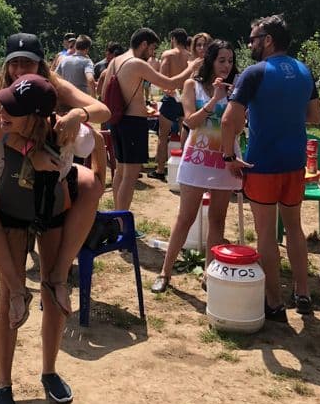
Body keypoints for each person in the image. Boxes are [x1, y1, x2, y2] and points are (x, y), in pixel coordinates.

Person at [0, 33, 109, 404]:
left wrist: (76, 116)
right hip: (12, 206)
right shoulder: (3, 91)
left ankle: (49, 371)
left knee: (53, 289)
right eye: (14, 62)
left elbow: (99, 116)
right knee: (8, 297)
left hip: (51, 207)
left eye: (27, 63)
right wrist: (25, 141)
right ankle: (4, 382)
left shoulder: (55, 92)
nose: (19, 69)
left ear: (42, 66)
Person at [221, 15, 320, 322]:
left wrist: (228, 157)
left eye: (253, 39)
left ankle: (274, 302)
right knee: (294, 228)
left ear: (267, 40)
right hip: (295, 164)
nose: (250, 44)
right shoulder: (305, 71)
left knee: (266, 232)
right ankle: (303, 294)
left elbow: (228, 120)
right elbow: (315, 116)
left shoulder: (254, 73)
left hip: (262, 163)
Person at [151, 41, 241, 292]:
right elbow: (191, 121)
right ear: (211, 60)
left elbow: (239, 129)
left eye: (230, 61)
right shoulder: (192, 85)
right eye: (222, 60)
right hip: (197, 159)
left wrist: (234, 101)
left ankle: (209, 273)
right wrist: (214, 100)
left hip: (224, 161)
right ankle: (165, 272)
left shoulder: (236, 90)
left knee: (218, 220)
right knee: (185, 218)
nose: (226, 66)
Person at [103, 28, 202, 212]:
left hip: (117, 121)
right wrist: (191, 67)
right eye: (151, 49)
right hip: (133, 123)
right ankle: (123, 220)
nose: (151, 54)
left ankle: (117, 216)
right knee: (130, 176)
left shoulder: (115, 61)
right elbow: (170, 83)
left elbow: (104, 93)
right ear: (144, 44)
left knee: (121, 172)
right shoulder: (136, 64)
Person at [150, 29, 191, 182]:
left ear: (173, 39)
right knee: (184, 136)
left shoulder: (168, 54)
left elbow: (162, 77)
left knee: (162, 135)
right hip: (186, 98)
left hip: (172, 97)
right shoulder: (190, 56)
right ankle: (184, 168)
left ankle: (160, 169)